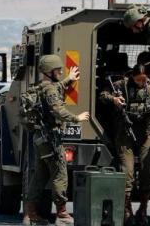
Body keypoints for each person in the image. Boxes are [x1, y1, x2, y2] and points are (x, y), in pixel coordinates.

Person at [100, 64, 150, 225]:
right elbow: (103, 95)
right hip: (125, 134)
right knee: (128, 172)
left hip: (146, 133)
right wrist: (114, 99)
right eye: (138, 80)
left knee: (146, 171)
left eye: (144, 79)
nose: (141, 82)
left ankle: (143, 209)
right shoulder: (121, 85)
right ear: (132, 77)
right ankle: (126, 209)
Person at [24, 54, 90, 226]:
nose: (61, 71)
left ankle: (30, 215)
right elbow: (57, 110)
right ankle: (62, 214)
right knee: (60, 174)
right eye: (58, 70)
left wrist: (68, 79)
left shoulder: (40, 87)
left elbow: (53, 90)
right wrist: (77, 118)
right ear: (49, 71)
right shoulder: (50, 89)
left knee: (40, 176)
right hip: (51, 138)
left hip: (40, 138)